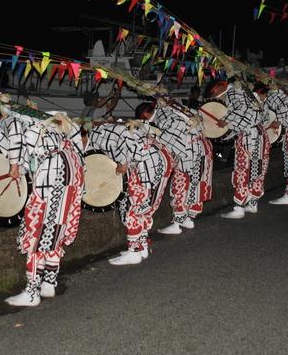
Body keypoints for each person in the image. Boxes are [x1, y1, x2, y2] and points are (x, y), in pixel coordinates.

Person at [0, 109, 85, 306]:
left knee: (36, 229)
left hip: (54, 172)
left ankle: (31, 292)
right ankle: (48, 283)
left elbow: (17, 139)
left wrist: (13, 166)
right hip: (72, 170)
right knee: (55, 227)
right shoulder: (37, 122)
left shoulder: (9, 119)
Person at [90, 105, 173, 265]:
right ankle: (141, 247)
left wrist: (124, 164)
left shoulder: (101, 134)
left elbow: (129, 152)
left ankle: (134, 251)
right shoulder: (115, 126)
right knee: (144, 208)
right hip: (160, 159)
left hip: (146, 164)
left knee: (134, 208)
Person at [151, 96, 211, 234]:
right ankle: (188, 218)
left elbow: (170, 136)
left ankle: (177, 223)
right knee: (195, 183)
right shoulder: (186, 110)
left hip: (187, 151)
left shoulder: (164, 113)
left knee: (181, 184)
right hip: (201, 148)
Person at [217, 79, 275, 220]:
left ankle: (239, 207)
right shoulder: (251, 95)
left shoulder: (234, 93)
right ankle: (253, 203)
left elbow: (242, 113)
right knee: (258, 168)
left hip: (249, 137)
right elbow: (264, 116)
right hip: (261, 136)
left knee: (243, 169)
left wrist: (227, 121)